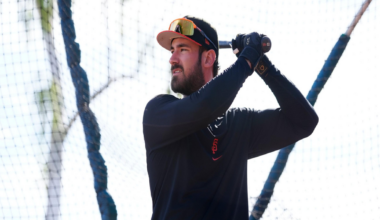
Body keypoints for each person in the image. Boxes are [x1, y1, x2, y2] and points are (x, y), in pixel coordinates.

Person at [143, 16, 319, 220]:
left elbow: (303, 121)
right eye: (172, 51)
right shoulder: (157, 113)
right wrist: (247, 61)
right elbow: (206, 106)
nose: (172, 59)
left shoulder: (237, 126)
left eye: (182, 49)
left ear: (208, 58)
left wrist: (263, 65)